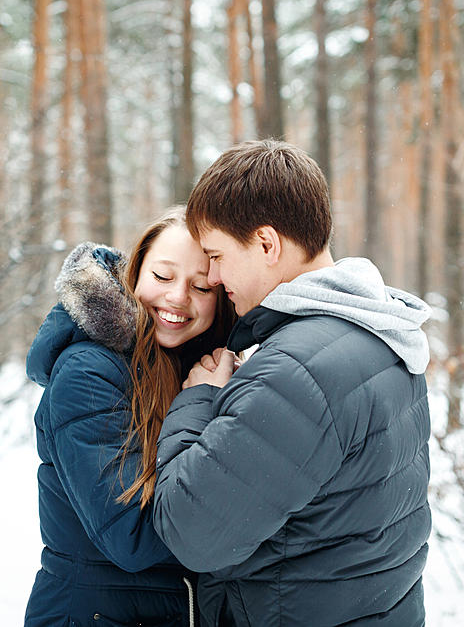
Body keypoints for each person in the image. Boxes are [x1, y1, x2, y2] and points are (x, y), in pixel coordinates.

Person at [152, 140, 433, 626]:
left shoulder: (297, 372)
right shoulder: (380, 336)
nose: (213, 277)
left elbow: (189, 529)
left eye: (217, 255)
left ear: (266, 244)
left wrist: (198, 399)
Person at [24, 207, 235, 627]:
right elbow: (132, 535)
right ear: (134, 273)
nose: (178, 297)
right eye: (162, 276)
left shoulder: (193, 368)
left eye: (200, 286)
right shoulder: (88, 372)